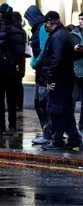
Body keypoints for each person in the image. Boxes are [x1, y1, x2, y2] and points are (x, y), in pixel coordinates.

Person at [40, 11, 81, 150]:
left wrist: (50, 78)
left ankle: (57, 141)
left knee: (55, 110)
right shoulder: (65, 34)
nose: (45, 27)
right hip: (66, 78)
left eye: (46, 24)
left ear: (49, 23)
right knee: (66, 110)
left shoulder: (57, 36)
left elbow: (56, 59)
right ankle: (74, 138)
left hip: (59, 79)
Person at [0, 3, 26, 135]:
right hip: (0, 67)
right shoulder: (0, 27)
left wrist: (10, 62)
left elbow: (18, 50)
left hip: (9, 69)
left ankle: (12, 126)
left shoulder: (13, 28)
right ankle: (1, 125)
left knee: (10, 98)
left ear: (4, 14)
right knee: (0, 98)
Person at [24, 5, 52, 145]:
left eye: (28, 19)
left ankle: (48, 135)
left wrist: (34, 63)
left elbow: (43, 50)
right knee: (40, 103)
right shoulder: (38, 28)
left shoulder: (41, 28)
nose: (28, 23)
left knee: (42, 104)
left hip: (43, 72)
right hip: (41, 72)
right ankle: (48, 134)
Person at [71, 12, 83, 138]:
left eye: (82, 19)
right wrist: (74, 48)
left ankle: (82, 127)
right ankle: (71, 129)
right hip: (75, 72)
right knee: (71, 102)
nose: (80, 21)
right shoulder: (73, 34)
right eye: (79, 19)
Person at [12, 11, 27, 112]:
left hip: (17, 60)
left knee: (16, 83)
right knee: (17, 83)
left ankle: (17, 104)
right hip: (19, 60)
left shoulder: (19, 31)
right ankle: (17, 104)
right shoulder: (22, 31)